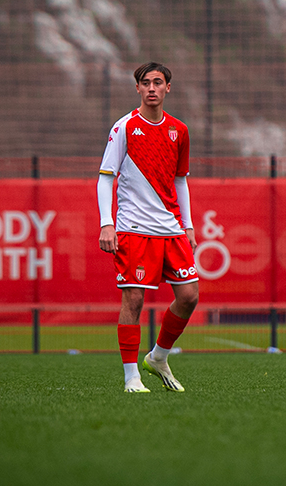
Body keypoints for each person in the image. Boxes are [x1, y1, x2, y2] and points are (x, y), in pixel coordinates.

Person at [98, 61, 199, 393]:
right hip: (134, 227)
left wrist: (187, 225)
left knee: (189, 296)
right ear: (137, 88)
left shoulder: (179, 130)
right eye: (145, 82)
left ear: (168, 88)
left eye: (158, 82)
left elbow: (180, 180)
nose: (151, 88)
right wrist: (107, 223)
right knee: (134, 300)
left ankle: (157, 357)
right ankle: (131, 377)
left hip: (171, 227)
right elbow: (105, 178)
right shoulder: (124, 127)